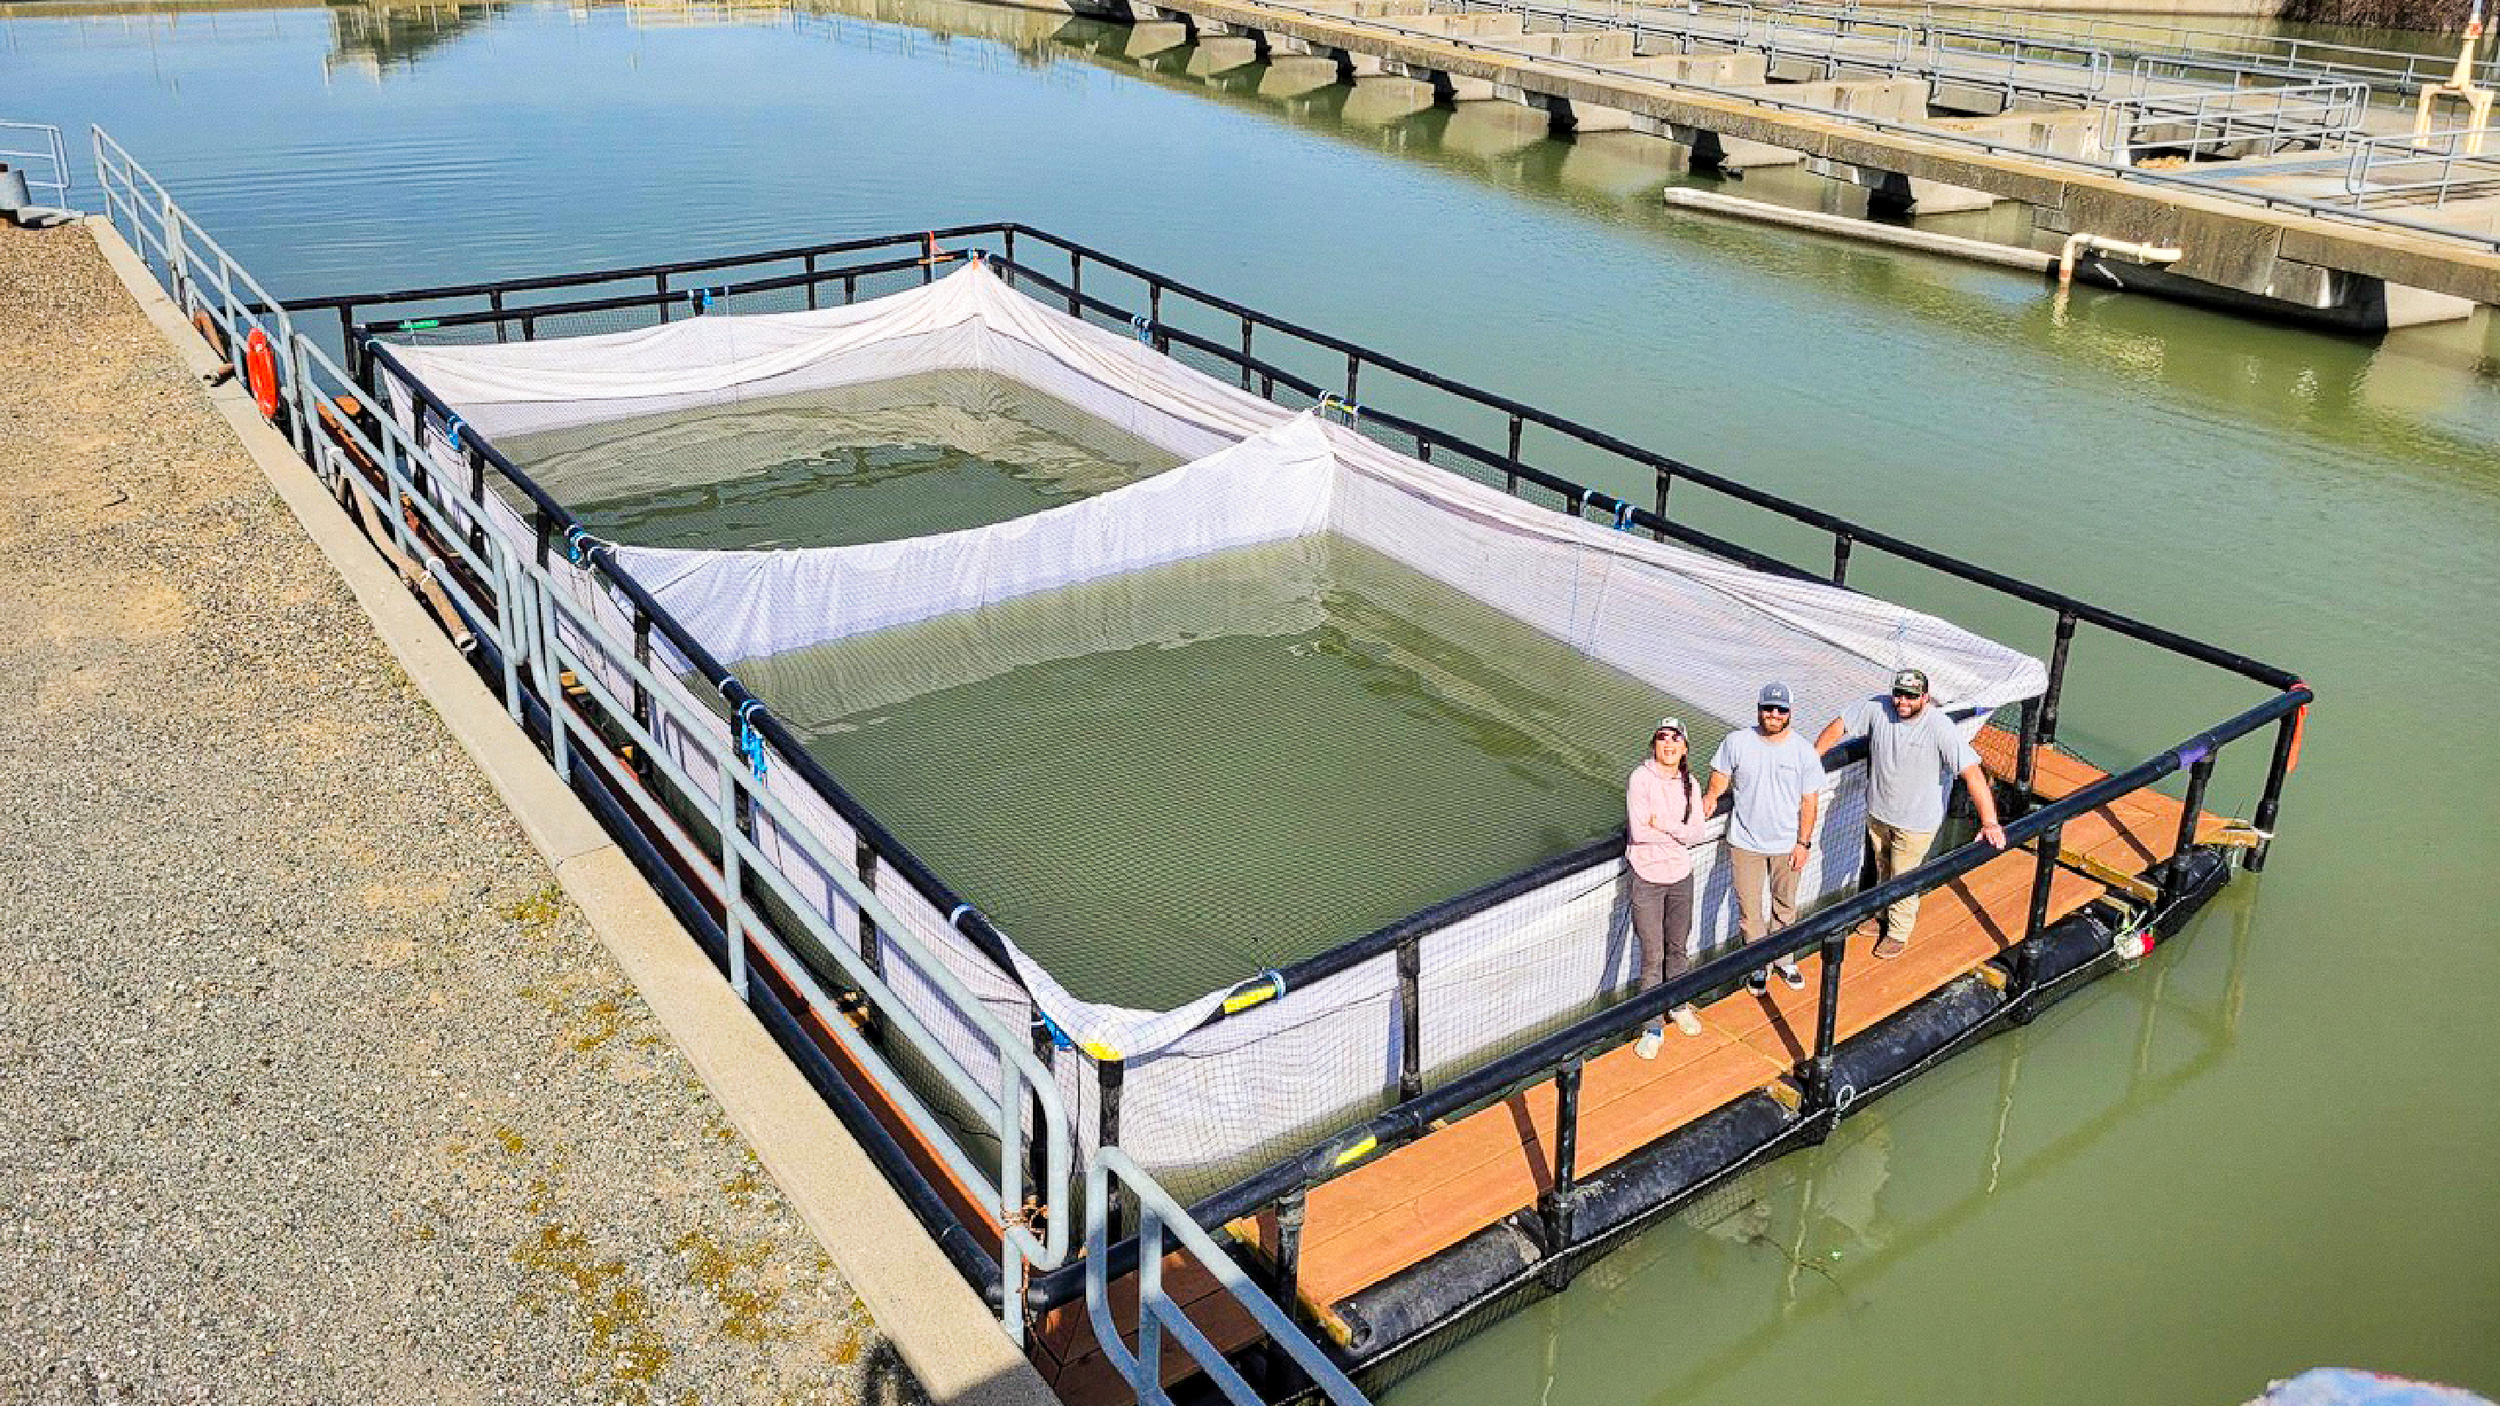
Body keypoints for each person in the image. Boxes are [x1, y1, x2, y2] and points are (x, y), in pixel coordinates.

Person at [1813, 668, 2009, 960]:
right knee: (1883, 869)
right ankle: (1880, 913)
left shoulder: (1940, 728)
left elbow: (1973, 775)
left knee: (1903, 877)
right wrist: (1814, 758)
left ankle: (1897, 932)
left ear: (1925, 698)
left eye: (1911, 696)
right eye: (1899, 694)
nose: (1903, 701)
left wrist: (1990, 821)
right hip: (1879, 813)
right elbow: (1840, 724)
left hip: (1916, 822)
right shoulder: (1877, 707)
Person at [1701, 682, 1825, 996]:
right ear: (1758, 709)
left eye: (1780, 709)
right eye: (1768, 708)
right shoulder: (1736, 741)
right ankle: (1758, 965)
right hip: (1745, 844)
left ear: (1789, 713)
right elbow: (1721, 774)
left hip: (1787, 846)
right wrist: (1712, 796)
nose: (1773, 714)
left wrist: (1803, 843)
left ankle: (1784, 959)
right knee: (1750, 912)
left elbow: (1810, 801)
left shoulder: (1803, 750)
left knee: (1785, 906)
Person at [1627, 717, 1709, 1058]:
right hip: (1647, 878)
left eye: (1676, 739)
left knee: (1678, 947)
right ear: (1653, 744)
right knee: (1652, 956)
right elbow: (1639, 831)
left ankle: (1677, 1004)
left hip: (1680, 877)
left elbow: (1697, 833)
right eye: (1662, 738)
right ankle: (1651, 1025)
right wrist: (1678, 831)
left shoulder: (1691, 783)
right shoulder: (1640, 778)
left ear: (1685, 748)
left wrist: (1663, 823)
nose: (1669, 744)